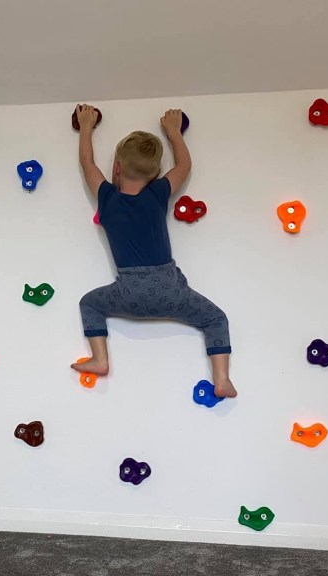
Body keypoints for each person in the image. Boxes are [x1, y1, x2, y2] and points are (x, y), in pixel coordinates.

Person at [71, 104, 237, 398]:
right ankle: (222, 379)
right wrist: (174, 132)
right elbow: (184, 167)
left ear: (118, 168)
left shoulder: (107, 198)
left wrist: (86, 126)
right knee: (216, 319)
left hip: (129, 294)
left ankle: (100, 359)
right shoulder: (156, 194)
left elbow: (87, 164)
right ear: (156, 174)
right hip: (171, 290)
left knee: (90, 304)